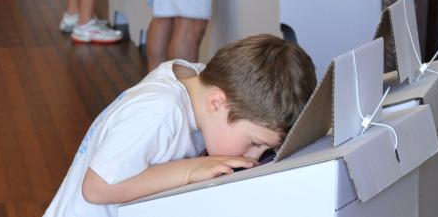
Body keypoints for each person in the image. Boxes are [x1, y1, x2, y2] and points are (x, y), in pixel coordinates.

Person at [42, 34, 316, 217]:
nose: (252, 157)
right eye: (255, 143)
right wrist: (189, 171)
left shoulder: (197, 80)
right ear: (217, 103)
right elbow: (96, 188)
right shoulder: (159, 111)